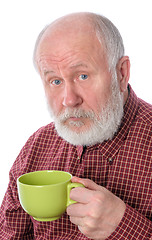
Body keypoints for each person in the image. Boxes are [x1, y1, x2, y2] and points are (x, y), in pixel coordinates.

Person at [0, 12, 151, 240]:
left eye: (82, 76)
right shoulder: (36, 148)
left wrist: (126, 228)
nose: (69, 100)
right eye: (56, 81)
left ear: (121, 73)